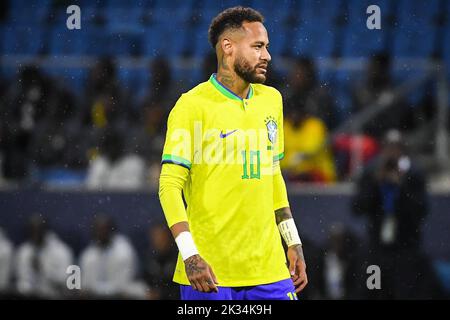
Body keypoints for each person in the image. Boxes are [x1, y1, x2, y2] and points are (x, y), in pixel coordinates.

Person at [159, 7, 307, 300]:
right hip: (210, 271)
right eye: (258, 47)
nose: (267, 56)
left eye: (266, 47)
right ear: (227, 47)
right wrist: (190, 256)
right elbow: (169, 186)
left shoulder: (271, 100)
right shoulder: (192, 106)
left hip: (269, 268)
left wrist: (293, 241)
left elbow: (273, 174)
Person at [79, 214, 146, 299]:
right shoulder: (88, 255)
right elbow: (86, 285)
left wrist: (99, 291)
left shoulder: (124, 251)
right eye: (98, 230)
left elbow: (122, 286)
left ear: (111, 231)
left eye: (104, 229)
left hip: (121, 295)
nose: (101, 233)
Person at [15, 214, 74, 298]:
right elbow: (21, 280)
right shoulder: (24, 251)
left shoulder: (62, 251)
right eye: (32, 230)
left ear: (45, 230)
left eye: (39, 230)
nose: (36, 234)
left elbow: (67, 282)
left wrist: (43, 269)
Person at [142, 223, 179, 300]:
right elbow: (145, 281)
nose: (157, 240)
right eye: (154, 237)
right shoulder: (150, 257)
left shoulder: (177, 258)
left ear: (168, 237)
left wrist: (161, 294)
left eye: (160, 236)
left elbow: (178, 288)